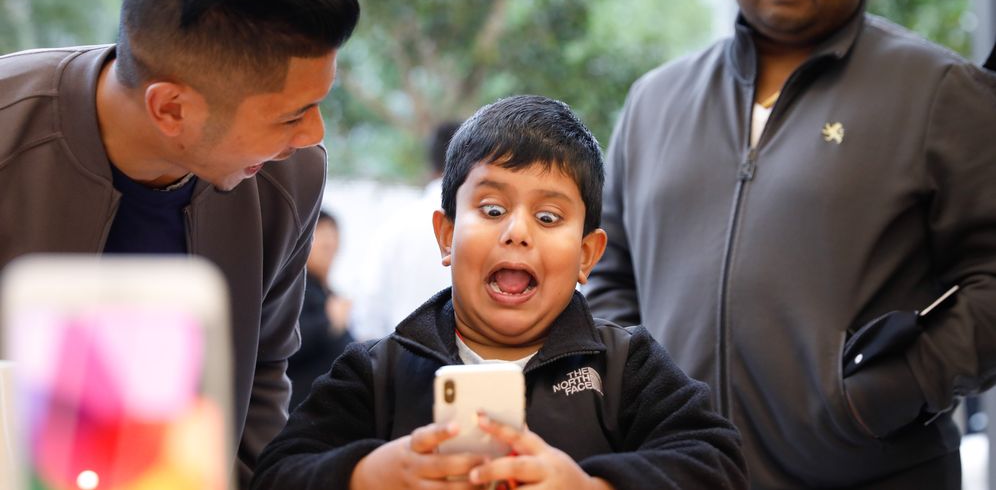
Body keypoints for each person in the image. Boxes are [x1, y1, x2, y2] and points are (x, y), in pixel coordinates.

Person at [583, 0, 996, 488]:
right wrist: (638, 404)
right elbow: (608, 275)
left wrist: (887, 393)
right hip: (679, 475)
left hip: (876, 474)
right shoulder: (653, 101)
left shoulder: (942, 92)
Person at [0, 0, 359, 486]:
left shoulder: (289, 176)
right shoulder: (9, 133)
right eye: (291, 115)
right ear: (170, 109)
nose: (313, 134)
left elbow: (265, 368)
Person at [250, 95, 748, 490]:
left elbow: (717, 464)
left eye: (548, 217)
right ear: (446, 236)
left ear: (586, 256)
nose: (517, 232)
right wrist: (364, 476)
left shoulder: (625, 367)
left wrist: (592, 485)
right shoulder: (376, 372)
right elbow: (278, 472)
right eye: (491, 210)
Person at [351, 121, 461, 340]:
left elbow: (367, 319)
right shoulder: (493, 227)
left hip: (400, 361)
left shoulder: (395, 227)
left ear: (430, 165)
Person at [287, 210, 355, 411]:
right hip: (298, 411)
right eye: (321, 235)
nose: (329, 243)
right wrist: (328, 322)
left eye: (333, 235)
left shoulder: (329, 294)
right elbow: (286, 342)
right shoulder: (293, 289)